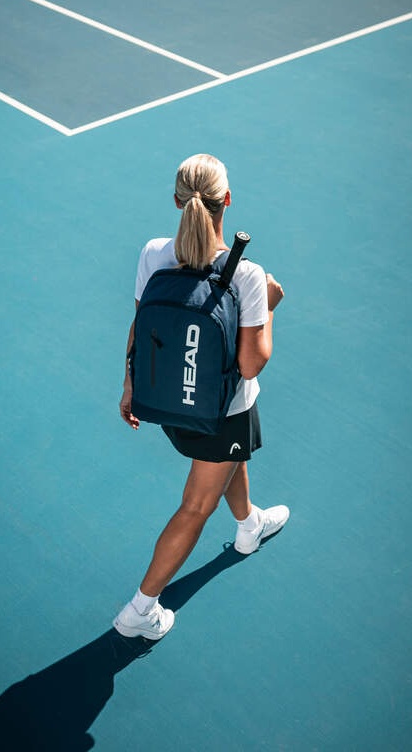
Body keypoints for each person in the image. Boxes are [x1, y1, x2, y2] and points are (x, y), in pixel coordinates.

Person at [114, 153, 288, 640]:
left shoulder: (153, 253)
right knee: (195, 507)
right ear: (227, 200)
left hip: (169, 402)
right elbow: (251, 364)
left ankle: (249, 525)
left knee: (229, 461)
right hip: (224, 412)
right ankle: (140, 610)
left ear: (177, 201)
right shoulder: (248, 275)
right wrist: (271, 306)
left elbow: (141, 325)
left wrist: (130, 384)